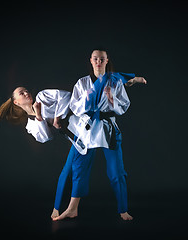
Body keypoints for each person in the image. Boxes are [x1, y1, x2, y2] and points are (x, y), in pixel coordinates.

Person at [52, 48, 147, 221]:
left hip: (108, 128)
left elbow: (124, 106)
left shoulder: (114, 82)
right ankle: (72, 208)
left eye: (101, 59)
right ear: (91, 60)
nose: (98, 62)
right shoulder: (82, 83)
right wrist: (89, 97)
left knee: (116, 171)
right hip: (86, 129)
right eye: (95, 59)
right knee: (77, 168)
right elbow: (74, 107)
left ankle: (123, 209)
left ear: (106, 61)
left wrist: (112, 100)